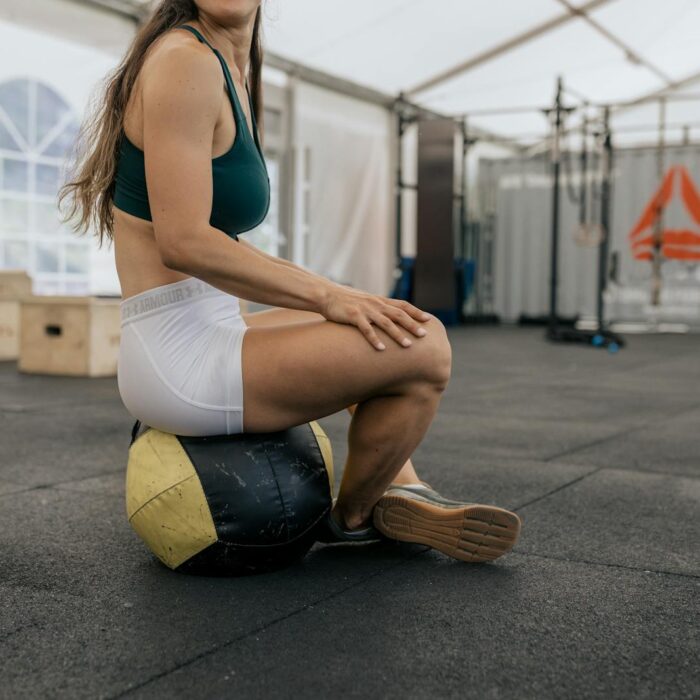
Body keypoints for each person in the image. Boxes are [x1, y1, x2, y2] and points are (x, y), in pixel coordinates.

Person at [59, 0, 520, 562]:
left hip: (210, 327)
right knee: (427, 350)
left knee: (385, 319)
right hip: (180, 360)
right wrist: (330, 294)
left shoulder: (230, 68)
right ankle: (354, 518)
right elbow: (184, 242)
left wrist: (342, 298)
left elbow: (220, 239)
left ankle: (402, 487)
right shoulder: (185, 60)